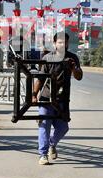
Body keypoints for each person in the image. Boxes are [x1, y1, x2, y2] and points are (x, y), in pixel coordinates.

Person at [32, 32, 83, 165]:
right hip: (46, 99)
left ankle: (52, 144)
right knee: (44, 126)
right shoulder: (48, 58)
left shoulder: (73, 58)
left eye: (65, 42)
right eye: (59, 42)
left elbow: (79, 76)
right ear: (55, 44)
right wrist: (34, 94)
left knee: (63, 128)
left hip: (62, 100)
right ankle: (42, 155)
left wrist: (73, 69)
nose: (62, 44)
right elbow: (40, 78)